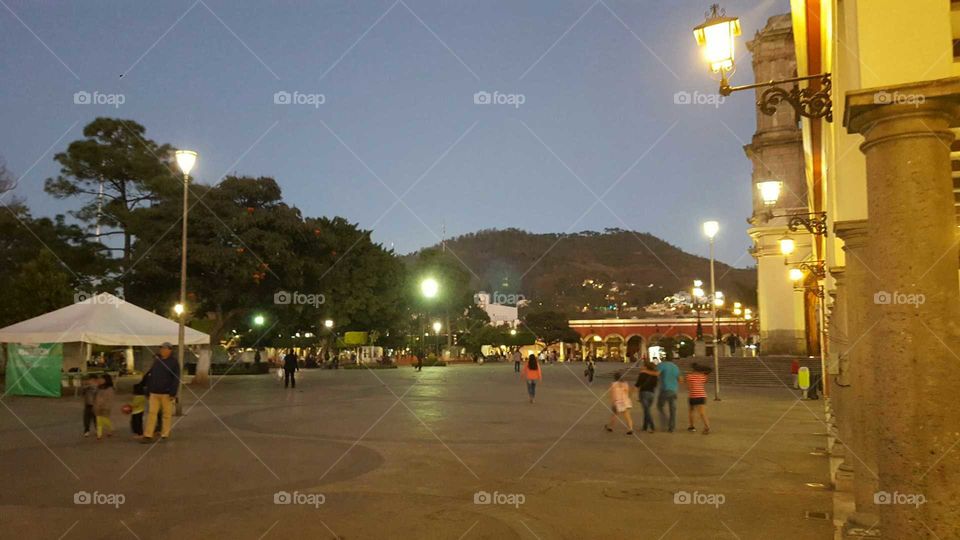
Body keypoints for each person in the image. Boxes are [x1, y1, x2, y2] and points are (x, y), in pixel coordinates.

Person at [141, 342, 180, 444]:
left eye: (164, 349)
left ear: (170, 350)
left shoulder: (174, 362)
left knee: (166, 414)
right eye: (161, 349)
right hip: (154, 392)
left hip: (166, 393)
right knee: (151, 414)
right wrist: (148, 390)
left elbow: (176, 378)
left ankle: (165, 434)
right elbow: (151, 376)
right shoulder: (157, 361)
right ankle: (148, 435)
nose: (162, 350)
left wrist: (173, 392)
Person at [656, 356, 683, 433]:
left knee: (660, 406)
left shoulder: (662, 365)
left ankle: (665, 420)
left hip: (665, 389)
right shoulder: (675, 367)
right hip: (673, 391)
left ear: (664, 359)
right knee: (673, 410)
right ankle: (672, 427)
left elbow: (656, 374)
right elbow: (680, 379)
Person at [685, 363, 712, 434]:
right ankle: (707, 427)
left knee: (691, 411)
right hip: (702, 396)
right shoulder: (703, 376)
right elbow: (705, 382)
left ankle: (692, 427)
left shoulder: (689, 376)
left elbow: (688, 387)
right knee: (702, 413)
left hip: (693, 396)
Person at [635, 361, 660, 433]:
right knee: (647, 410)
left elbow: (637, 384)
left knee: (647, 411)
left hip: (643, 393)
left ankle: (652, 426)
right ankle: (645, 426)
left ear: (646, 367)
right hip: (652, 394)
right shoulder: (655, 375)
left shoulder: (642, 374)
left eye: (643, 365)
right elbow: (655, 385)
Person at [93, 374, 115, 440]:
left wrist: (105, 405)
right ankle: (99, 434)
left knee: (105, 419)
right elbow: (96, 397)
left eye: (102, 379)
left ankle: (111, 428)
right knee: (99, 420)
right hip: (98, 406)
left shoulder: (110, 389)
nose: (100, 380)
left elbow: (109, 399)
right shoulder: (98, 387)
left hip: (106, 407)